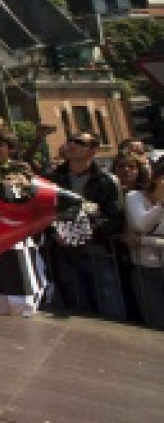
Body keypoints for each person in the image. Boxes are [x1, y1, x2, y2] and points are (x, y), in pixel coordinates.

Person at [44, 132, 125, 315]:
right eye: (70, 140)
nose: (72, 144)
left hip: (96, 250)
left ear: (92, 151)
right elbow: (43, 213)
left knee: (109, 304)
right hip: (63, 251)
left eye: (79, 142)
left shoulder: (106, 180)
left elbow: (115, 219)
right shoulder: (53, 179)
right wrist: (55, 233)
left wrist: (83, 232)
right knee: (77, 307)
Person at [123, 157, 164, 328]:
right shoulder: (134, 196)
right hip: (146, 267)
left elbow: (139, 235)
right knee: (156, 321)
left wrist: (143, 240)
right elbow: (142, 224)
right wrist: (161, 203)